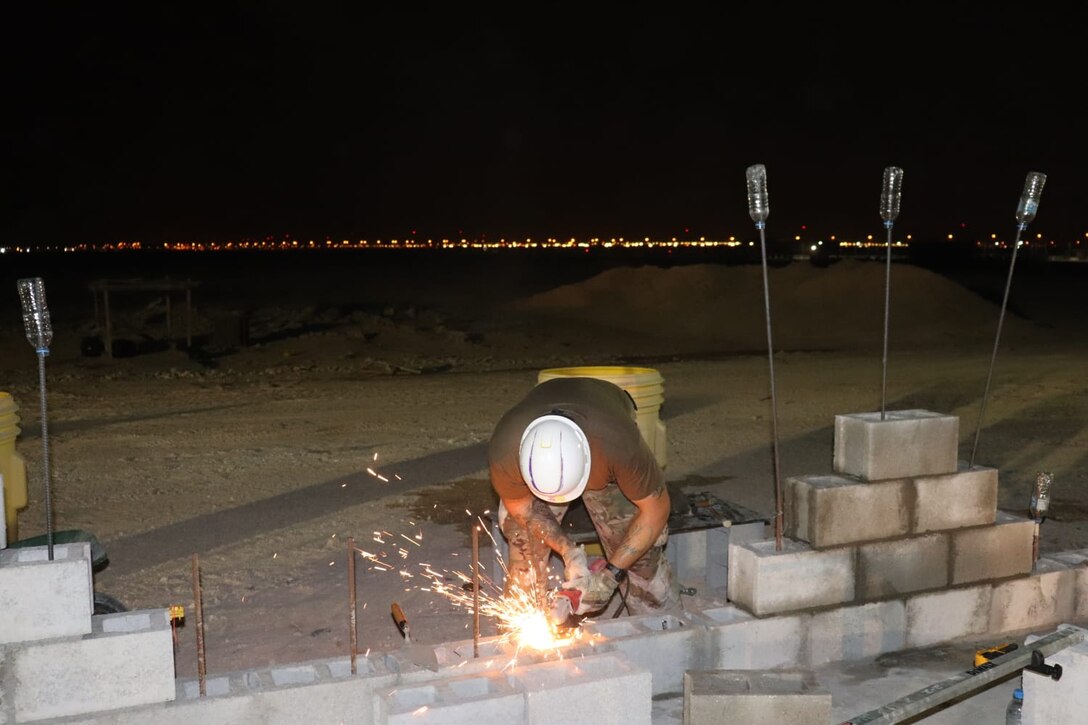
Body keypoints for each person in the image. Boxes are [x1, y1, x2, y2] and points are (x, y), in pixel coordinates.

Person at [488, 376, 680, 617]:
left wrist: (611, 576)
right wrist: (569, 552)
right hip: (548, 410)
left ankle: (661, 623)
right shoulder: (505, 453)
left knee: (638, 554)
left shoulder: (618, 446)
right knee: (523, 535)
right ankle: (524, 617)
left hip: (604, 422)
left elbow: (656, 511)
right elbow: (523, 510)